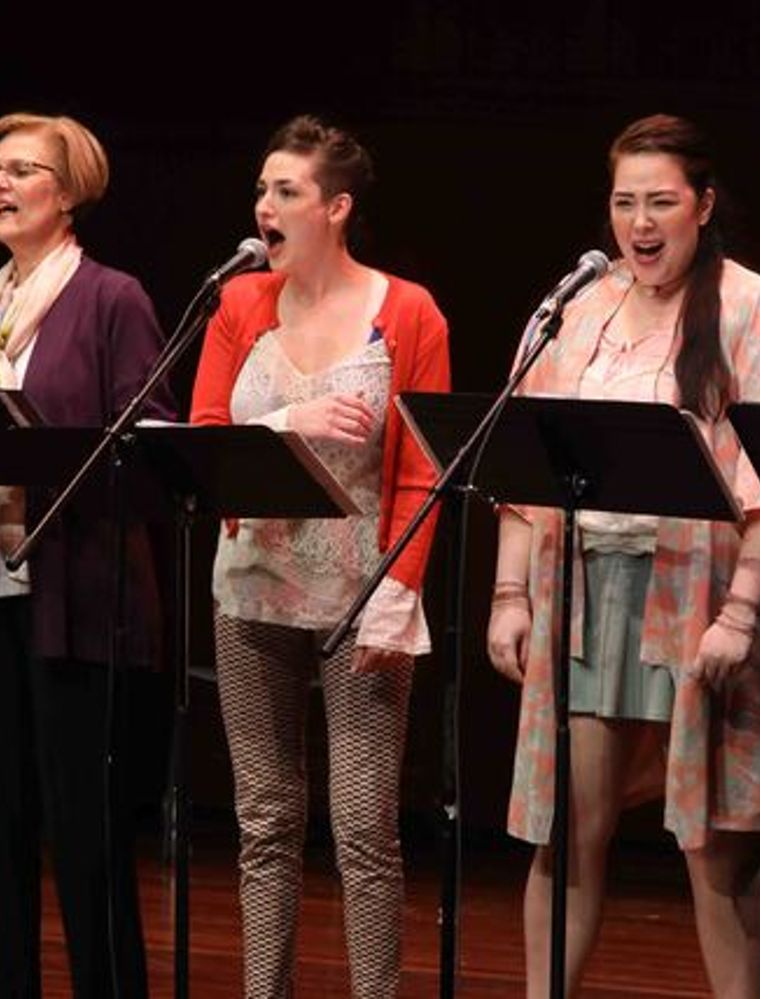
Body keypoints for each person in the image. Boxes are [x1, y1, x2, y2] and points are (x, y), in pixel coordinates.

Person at [485, 113, 760, 997]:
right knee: (566, 828)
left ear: (703, 205)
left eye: (661, 202)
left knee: (715, 846)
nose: (640, 223)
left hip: (703, 598)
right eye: (624, 202)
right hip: (587, 596)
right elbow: (523, 456)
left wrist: (742, 613)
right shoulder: (577, 309)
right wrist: (509, 593)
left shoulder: (758, 311)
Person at [190, 114, 451, 998]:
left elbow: (422, 471)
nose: (264, 205)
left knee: (363, 825)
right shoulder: (238, 303)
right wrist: (286, 423)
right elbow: (205, 440)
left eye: (285, 191)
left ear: (335, 208)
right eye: (262, 189)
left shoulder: (406, 311)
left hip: (361, 591)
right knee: (264, 819)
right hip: (251, 587)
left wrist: (398, 593)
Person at [0, 112, 171, 998]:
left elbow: (149, 441)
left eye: (23, 169)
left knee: (84, 831)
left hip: (74, 598)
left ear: (68, 194)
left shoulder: (111, 298)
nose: (0, 184)